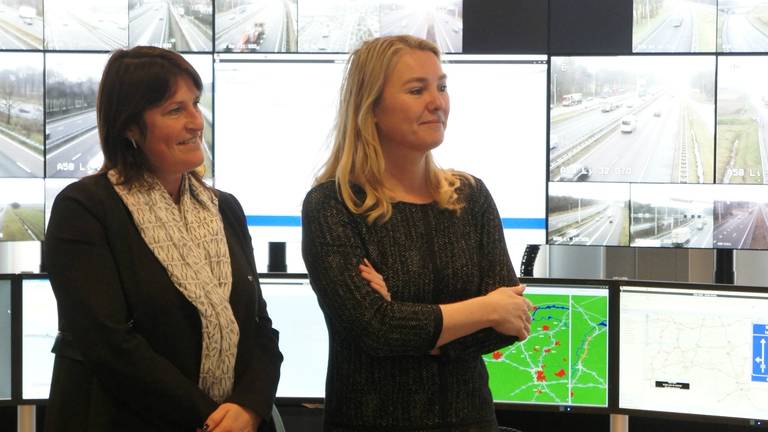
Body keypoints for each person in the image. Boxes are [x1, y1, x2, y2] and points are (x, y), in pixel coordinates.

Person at [301, 35, 533, 431]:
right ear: (371, 107)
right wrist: (483, 309)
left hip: (471, 421)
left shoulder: (470, 196)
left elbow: (512, 323)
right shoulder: (333, 205)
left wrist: (409, 325)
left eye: (441, 86)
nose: (437, 102)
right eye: (416, 89)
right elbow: (374, 330)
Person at [44, 46, 282, 432]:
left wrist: (249, 407)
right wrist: (211, 418)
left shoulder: (225, 209)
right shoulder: (85, 209)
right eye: (175, 110)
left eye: (196, 103)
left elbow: (260, 328)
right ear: (129, 127)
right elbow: (110, 345)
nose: (196, 121)